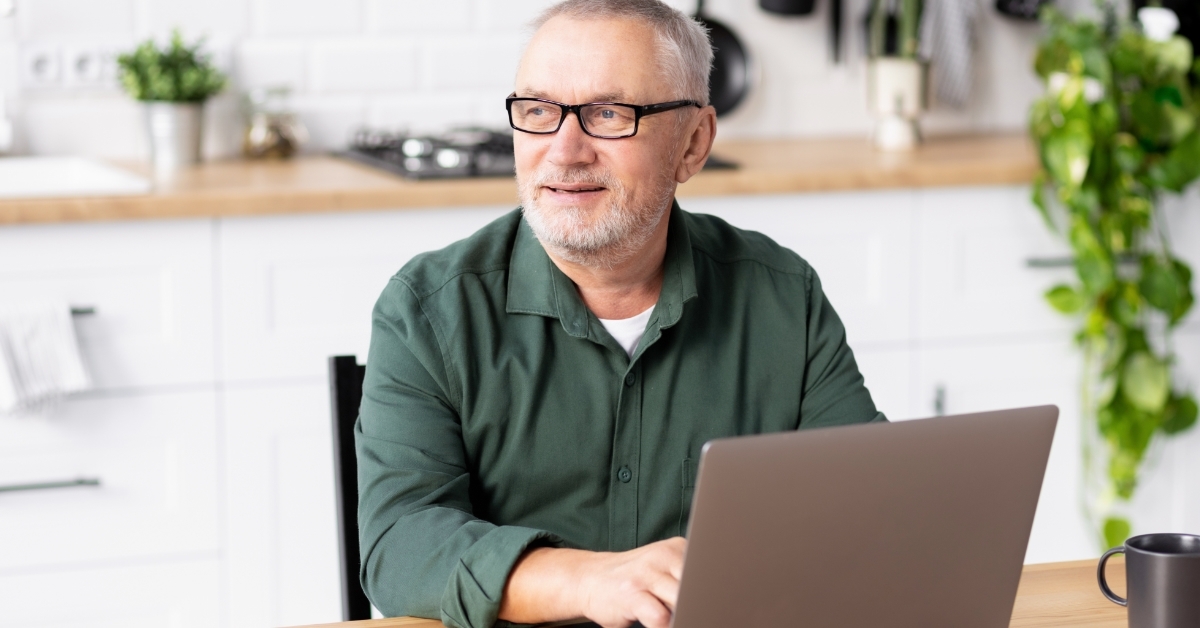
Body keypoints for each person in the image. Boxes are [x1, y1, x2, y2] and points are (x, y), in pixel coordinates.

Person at [355, 1, 886, 627]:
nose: (564, 150)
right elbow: (399, 545)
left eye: (609, 114)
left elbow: (864, 510)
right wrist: (586, 580)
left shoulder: (782, 295)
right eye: (538, 111)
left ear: (694, 143)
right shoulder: (427, 309)